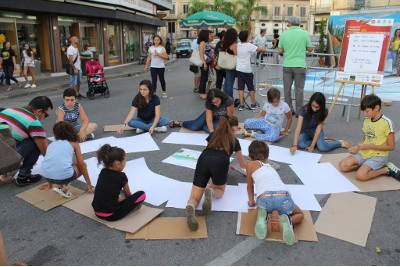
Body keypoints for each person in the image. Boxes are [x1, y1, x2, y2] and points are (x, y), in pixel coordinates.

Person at [185, 116, 246, 231]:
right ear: (233, 127)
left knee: (195, 197)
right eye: (237, 129)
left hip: (204, 158)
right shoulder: (234, 141)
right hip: (221, 161)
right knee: (220, 190)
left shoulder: (213, 135)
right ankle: (211, 191)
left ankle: (190, 206)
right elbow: (242, 164)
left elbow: (210, 152)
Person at [246, 140, 304, 244]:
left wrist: (251, 203)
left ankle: (263, 217)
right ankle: (287, 221)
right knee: (299, 214)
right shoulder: (271, 168)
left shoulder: (250, 164)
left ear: (249, 156)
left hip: (264, 198)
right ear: (267, 157)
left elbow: (250, 187)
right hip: (282, 196)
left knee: (262, 208)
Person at [339, 94, 400, 181]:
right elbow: (365, 138)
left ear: (377, 108)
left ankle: (386, 169)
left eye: (367, 111)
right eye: (364, 111)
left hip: (378, 156)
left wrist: (368, 146)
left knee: (360, 176)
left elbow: (391, 147)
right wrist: (356, 147)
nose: (365, 114)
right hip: (365, 152)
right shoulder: (367, 120)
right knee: (342, 166)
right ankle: (366, 166)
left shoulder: (387, 123)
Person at [0, 96, 53, 185]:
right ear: (39, 111)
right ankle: (23, 176)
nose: (44, 118)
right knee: (35, 141)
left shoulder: (10, 110)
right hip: (2, 161)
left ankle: (4, 174)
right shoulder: (33, 121)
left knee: (10, 137)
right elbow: (45, 151)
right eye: (45, 115)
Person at [92, 144, 146, 221]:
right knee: (142, 194)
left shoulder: (103, 171)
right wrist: (130, 203)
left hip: (97, 212)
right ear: (117, 164)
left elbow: (104, 187)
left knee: (112, 188)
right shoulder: (122, 176)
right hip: (112, 215)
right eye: (124, 161)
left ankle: (116, 199)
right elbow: (128, 195)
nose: (125, 163)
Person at [38, 121, 94, 197]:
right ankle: (63, 186)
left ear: (54, 135)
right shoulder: (74, 143)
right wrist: (89, 185)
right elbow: (82, 165)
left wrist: (49, 183)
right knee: (79, 165)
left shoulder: (51, 145)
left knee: (61, 165)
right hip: (63, 177)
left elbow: (50, 162)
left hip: (46, 176)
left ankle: (57, 184)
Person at [278, 16, 313, 115]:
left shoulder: (284, 34)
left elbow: (280, 50)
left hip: (287, 64)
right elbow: (309, 48)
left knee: (287, 89)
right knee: (299, 89)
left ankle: (288, 110)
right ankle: (299, 111)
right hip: (300, 65)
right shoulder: (304, 33)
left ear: (290, 23)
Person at [169, 89, 234, 133]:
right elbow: (208, 119)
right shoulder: (209, 102)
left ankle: (202, 125)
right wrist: (211, 133)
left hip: (221, 119)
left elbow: (229, 117)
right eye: (213, 103)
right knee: (195, 127)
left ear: (221, 98)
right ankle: (180, 123)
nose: (215, 104)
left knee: (220, 130)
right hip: (211, 115)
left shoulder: (228, 100)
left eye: (217, 101)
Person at [236, 30, 266, 110]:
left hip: (239, 69)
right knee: (251, 87)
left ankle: (241, 105)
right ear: (246, 37)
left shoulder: (238, 45)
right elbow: (261, 50)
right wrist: (264, 48)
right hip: (247, 69)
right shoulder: (249, 45)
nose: (250, 37)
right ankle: (253, 104)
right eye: (249, 36)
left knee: (240, 87)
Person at [221, 28, 238, 98]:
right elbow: (236, 55)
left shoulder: (225, 43)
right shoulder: (233, 45)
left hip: (225, 65)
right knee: (230, 84)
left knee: (226, 83)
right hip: (231, 66)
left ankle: (225, 98)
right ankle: (229, 99)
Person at [197, 29, 211, 99]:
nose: (209, 35)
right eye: (208, 34)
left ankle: (202, 92)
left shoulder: (205, 43)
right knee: (203, 78)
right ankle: (202, 93)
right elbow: (201, 53)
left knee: (205, 78)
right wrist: (204, 63)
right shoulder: (202, 43)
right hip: (204, 62)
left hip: (207, 62)